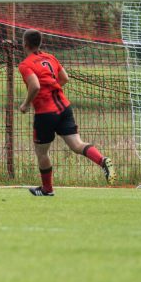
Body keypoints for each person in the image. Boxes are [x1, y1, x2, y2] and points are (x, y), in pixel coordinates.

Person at [18, 29, 115, 196]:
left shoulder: (26, 64)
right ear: (39, 43)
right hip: (64, 108)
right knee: (77, 145)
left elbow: (35, 86)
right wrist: (52, 89)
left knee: (42, 152)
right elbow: (65, 78)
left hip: (45, 114)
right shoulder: (51, 58)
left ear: (25, 44)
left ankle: (47, 189)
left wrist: (26, 104)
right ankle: (102, 160)